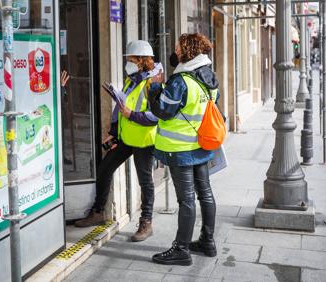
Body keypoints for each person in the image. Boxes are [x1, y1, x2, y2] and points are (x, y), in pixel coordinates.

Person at [75, 40, 161, 242]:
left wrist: (131, 115)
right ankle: (98, 212)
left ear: (141, 61)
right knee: (105, 168)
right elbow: (119, 108)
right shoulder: (132, 79)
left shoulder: (153, 83)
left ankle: (146, 222)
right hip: (125, 137)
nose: (128, 62)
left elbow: (156, 116)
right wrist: (114, 131)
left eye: (131, 59)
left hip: (143, 140)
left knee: (145, 182)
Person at [147, 33, 219, 266]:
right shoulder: (209, 77)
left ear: (186, 51)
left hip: (180, 149)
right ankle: (207, 241)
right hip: (201, 145)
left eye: (178, 47)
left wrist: (156, 86)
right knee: (205, 194)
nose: (175, 50)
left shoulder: (181, 81)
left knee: (186, 200)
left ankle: (181, 249)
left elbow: (162, 110)